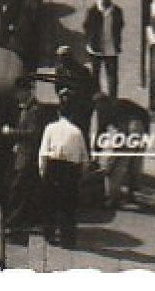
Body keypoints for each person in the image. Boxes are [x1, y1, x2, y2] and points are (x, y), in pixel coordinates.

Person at [38, 106, 89, 247]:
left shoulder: (50, 128)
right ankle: (68, 239)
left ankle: (49, 235)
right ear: (72, 116)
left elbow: (43, 151)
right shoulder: (77, 132)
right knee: (68, 206)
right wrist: (80, 174)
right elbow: (84, 157)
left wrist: (43, 170)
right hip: (70, 169)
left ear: (58, 114)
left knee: (50, 203)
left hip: (53, 166)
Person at [3, 80, 47, 233]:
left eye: (18, 92)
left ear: (26, 91)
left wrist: (12, 133)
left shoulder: (34, 110)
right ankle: (18, 221)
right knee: (21, 189)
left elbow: (33, 133)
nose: (16, 96)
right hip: (22, 154)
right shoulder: (27, 108)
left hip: (28, 156)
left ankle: (14, 223)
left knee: (18, 188)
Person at [83, 0, 125, 100]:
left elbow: (119, 26)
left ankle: (112, 101)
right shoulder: (92, 11)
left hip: (111, 49)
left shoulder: (117, 11)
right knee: (95, 77)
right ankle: (97, 100)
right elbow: (86, 26)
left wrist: (116, 40)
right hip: (95, 49)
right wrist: (90, 40)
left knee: (112, 78)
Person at [53, 45, 99, 140]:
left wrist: (73, 92)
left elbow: (90, 89)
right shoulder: (60, 71)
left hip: (81, 108)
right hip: (67, 107)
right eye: (60, 57)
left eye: (64, 57)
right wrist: (62, 92)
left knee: (81, 133)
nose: (62, 60)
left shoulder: (82, 71)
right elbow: (57, 87)